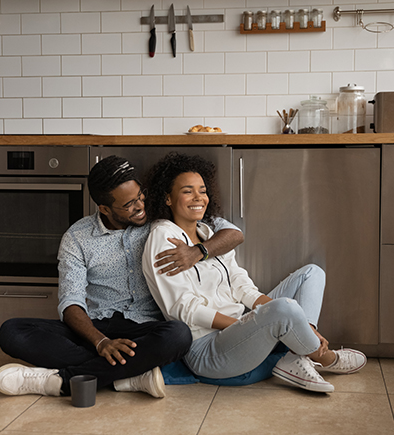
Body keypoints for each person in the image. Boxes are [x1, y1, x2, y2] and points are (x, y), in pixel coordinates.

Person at [0, 155, 244, 399]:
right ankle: (129, 375)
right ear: (104, 208)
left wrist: (197, 251)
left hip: (147, 328)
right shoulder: (77, 237)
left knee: (178, 335)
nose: (140, 207)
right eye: (128, 205)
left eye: (140, 196)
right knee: (12, 332)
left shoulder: (161, 217)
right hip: (96, 327)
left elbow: (234, 234)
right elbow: (70, 303)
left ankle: (63, 380)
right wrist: (101, 342)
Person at [142, 152, 367, 393]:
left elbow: (241, 286)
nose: (199, 197)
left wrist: (300, 325)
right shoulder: (163, 238)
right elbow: (183, 308)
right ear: (168, 198)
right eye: (188, 191)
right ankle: (326, 358)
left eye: (203, 190)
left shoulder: (208, 233)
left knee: (312, 273)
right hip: (208, 349)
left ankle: (299, 350)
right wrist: (245, 324)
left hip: (239, 330)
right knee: (284, 308)